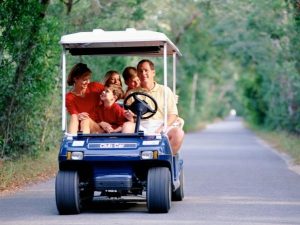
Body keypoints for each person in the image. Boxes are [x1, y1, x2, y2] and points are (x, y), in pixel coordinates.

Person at [122, 59, 184, 155]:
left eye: (146, 70)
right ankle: (131, 159)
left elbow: (173, 114)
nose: (143, 73)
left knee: (178, 133)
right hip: (141, 125)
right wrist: (130, 118)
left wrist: (162, 127)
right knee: (127, 126)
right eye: (140, 71)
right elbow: (130, 117)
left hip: (161, 124)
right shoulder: (132, 94)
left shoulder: (165, 90)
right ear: (137, 74)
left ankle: (165, 158)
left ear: (153, 72)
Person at [66, 63, 105, 134]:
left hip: (97, 127)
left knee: (85, 120)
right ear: (75, 79)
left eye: (89, 79)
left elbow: (112, 94)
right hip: (81, 129)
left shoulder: (95, 87)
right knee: (74, 117)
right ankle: (71, 140)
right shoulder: (69, 97)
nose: (88, 82)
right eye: (85, 80)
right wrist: (78, 115)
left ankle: (84, 143)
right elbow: (74, 115)